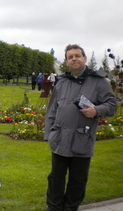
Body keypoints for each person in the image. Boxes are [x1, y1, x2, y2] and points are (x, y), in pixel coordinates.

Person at [44, 44, 117, 211]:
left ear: (84, 58)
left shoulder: (100, 82)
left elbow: (112, 105)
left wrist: (96, 110)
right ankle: (53, 207)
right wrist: (49, 134)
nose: (74, 59)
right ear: (66, 62)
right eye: (70, 57)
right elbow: (51, 110)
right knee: (55, 178)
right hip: (60, 139)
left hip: (82, 140)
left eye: (77, 55)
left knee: (78, 179)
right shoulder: (62, 83)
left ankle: (70, 208)